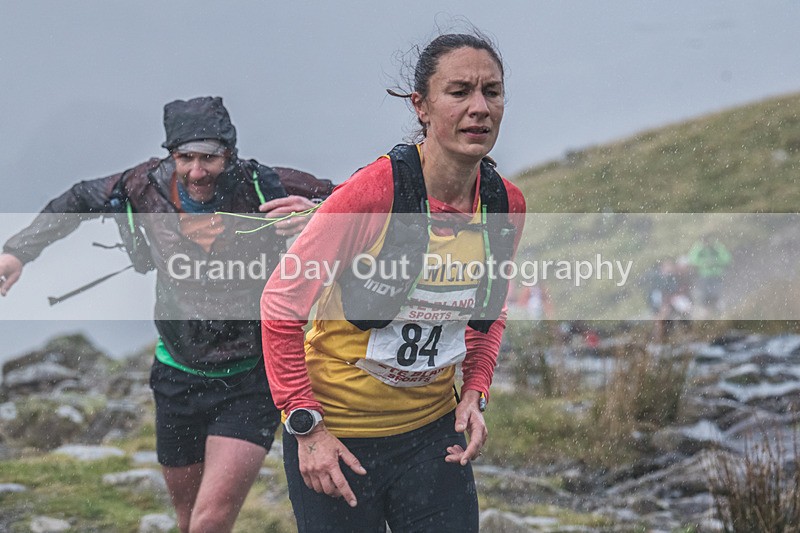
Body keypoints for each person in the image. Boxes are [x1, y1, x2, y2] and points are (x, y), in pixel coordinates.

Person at [0, 96, 332, 533]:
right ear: (170, 155)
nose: (197, 171)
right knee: (186, 520)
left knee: (209, 523)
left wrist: (318, 212)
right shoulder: (143, 186)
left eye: (209, 158)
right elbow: (78, 197)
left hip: (250, 378)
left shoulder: (261, 183)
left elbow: (362, 196)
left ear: (228, 154)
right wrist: (17, 252)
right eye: (185, 158)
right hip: (177, 374)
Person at [261, 32, 526, 532]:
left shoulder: (505, 204)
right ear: (421, 106)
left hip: (432, 440)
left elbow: (488, 314)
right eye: (459, 91)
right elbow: (280, 304)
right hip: (340, 438)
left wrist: (475, 391)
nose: (479, 108)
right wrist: (306, 427)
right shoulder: (375, 191)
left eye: (491, 92)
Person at [687, 234, 732, 316]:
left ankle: (719, 313)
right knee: (704, 298)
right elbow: (692, 259)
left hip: (717, 276)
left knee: (717, 295)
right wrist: (703, 260)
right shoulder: (699, 248)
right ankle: (707, 315)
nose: (707, 243)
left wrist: (716, 260)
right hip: (704, 277)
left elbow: (727, 258)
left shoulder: (717, 248)